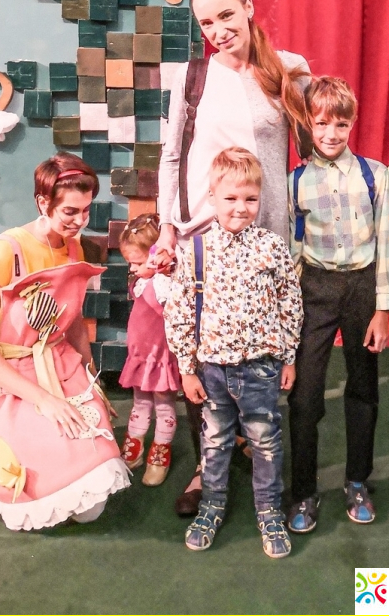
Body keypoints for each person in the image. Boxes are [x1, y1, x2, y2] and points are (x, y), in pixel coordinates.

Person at [155, 0, 310, 515]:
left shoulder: (287, 70)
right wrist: (168, 227)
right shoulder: (193, 77)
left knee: (259, 346)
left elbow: (314, 146)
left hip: (265, 232)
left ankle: (254, 441)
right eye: (206, 23)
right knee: (205, 348)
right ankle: (206, 464)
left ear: (248, 6)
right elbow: (172, 155)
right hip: (203, 233)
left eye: (226, 15)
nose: (218, 30)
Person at [0, 153, 130, 531]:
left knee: (91, 502)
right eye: (70, 212)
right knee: (44, 496)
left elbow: (72, 319)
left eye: (86, 210)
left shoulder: (74, 246)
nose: (80, 221)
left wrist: (91, 376)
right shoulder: (3, 251)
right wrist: (44, 400)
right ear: (42, 202)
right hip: (8, 378)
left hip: (59, 366)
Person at [164, 148, 303, 558]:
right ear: (212, 197)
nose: (240, 207)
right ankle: (211, 506)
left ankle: (269, 511)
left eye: (250, 198)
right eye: (230, 198)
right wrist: (187, 369)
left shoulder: (271, 247)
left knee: (265, 441)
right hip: (212, 371)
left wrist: (289, 355)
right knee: (215, 442)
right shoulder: (196, 251)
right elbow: (179, 312)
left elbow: (290, 302)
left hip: (261, 369)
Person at [286, 77, 389, 533]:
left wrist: (382, 309)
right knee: (305, 394)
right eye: (322, 124)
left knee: (363, 387)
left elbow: (384, 243)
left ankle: (357, 481)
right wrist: (288, 315)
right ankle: (303, 491)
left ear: (352, 124)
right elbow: (293, 253)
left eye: (341, 125)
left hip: (363, 287)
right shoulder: (295, 182)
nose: (331, 134)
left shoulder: (376, 175)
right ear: (308, 124)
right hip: (315, 289)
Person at [118, 214, 180, 486]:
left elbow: (168, 313)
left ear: (155, 256)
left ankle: (160, 453)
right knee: (140, 402)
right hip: (141, 356)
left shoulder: (163, 286)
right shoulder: (143, 282)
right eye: (130, 262)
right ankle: (134, 447)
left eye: (138, 262)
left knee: (164, 405)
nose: (133, 268)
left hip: (160, 357)